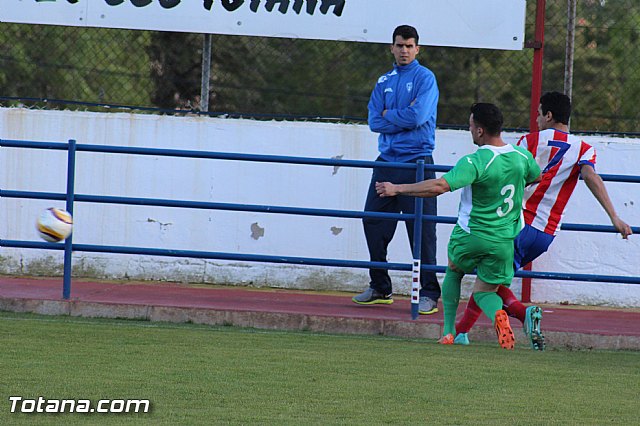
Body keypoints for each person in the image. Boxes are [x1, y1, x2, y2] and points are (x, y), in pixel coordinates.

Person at [454, 91, 633, 350]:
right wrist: (614, 216)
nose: (536, 119)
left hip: (514, 225)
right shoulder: (583, 148)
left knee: (486, 276)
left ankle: (513, 316)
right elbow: (592, 177)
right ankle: (462, 333)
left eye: (538, 114)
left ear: (549, 115)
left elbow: (509, 172)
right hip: (544, 234)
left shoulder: (529, 141)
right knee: (494, 279)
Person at [376, 103, 541, 349]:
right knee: (486, 291)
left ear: (481, 131)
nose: (470, 129)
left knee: (454, 270)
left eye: (471, 125)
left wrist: (397, 188)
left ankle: (449, 332)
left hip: (471, 235)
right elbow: (536, 176)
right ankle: (499, 315)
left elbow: (439, 186)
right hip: (505, 239)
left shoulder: (475, 161)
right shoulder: (521, 157)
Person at [352, 25, 441, 314]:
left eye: (409, 45)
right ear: (391, 47)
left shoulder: (426, 78)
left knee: (422, 230)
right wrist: (395, 117)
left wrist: (392, 115)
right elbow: (374, 121)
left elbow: (418, 117)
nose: (404, 50)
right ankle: (380, 286)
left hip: (417, 163)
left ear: (418, 49)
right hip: (386, 163)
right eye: (399, 45)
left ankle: (429, 292)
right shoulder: (383, 81)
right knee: (373, 222)